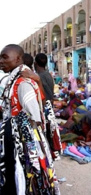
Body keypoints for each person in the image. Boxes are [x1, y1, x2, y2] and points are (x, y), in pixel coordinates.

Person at [0, 44, 60, 194]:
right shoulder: (14, 80)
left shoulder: (23, 83)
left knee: (20, 176)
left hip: (20, 141)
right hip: (16, 138)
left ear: (18, 58)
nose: (0, 60)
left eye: (4, 57)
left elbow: (35, 118)